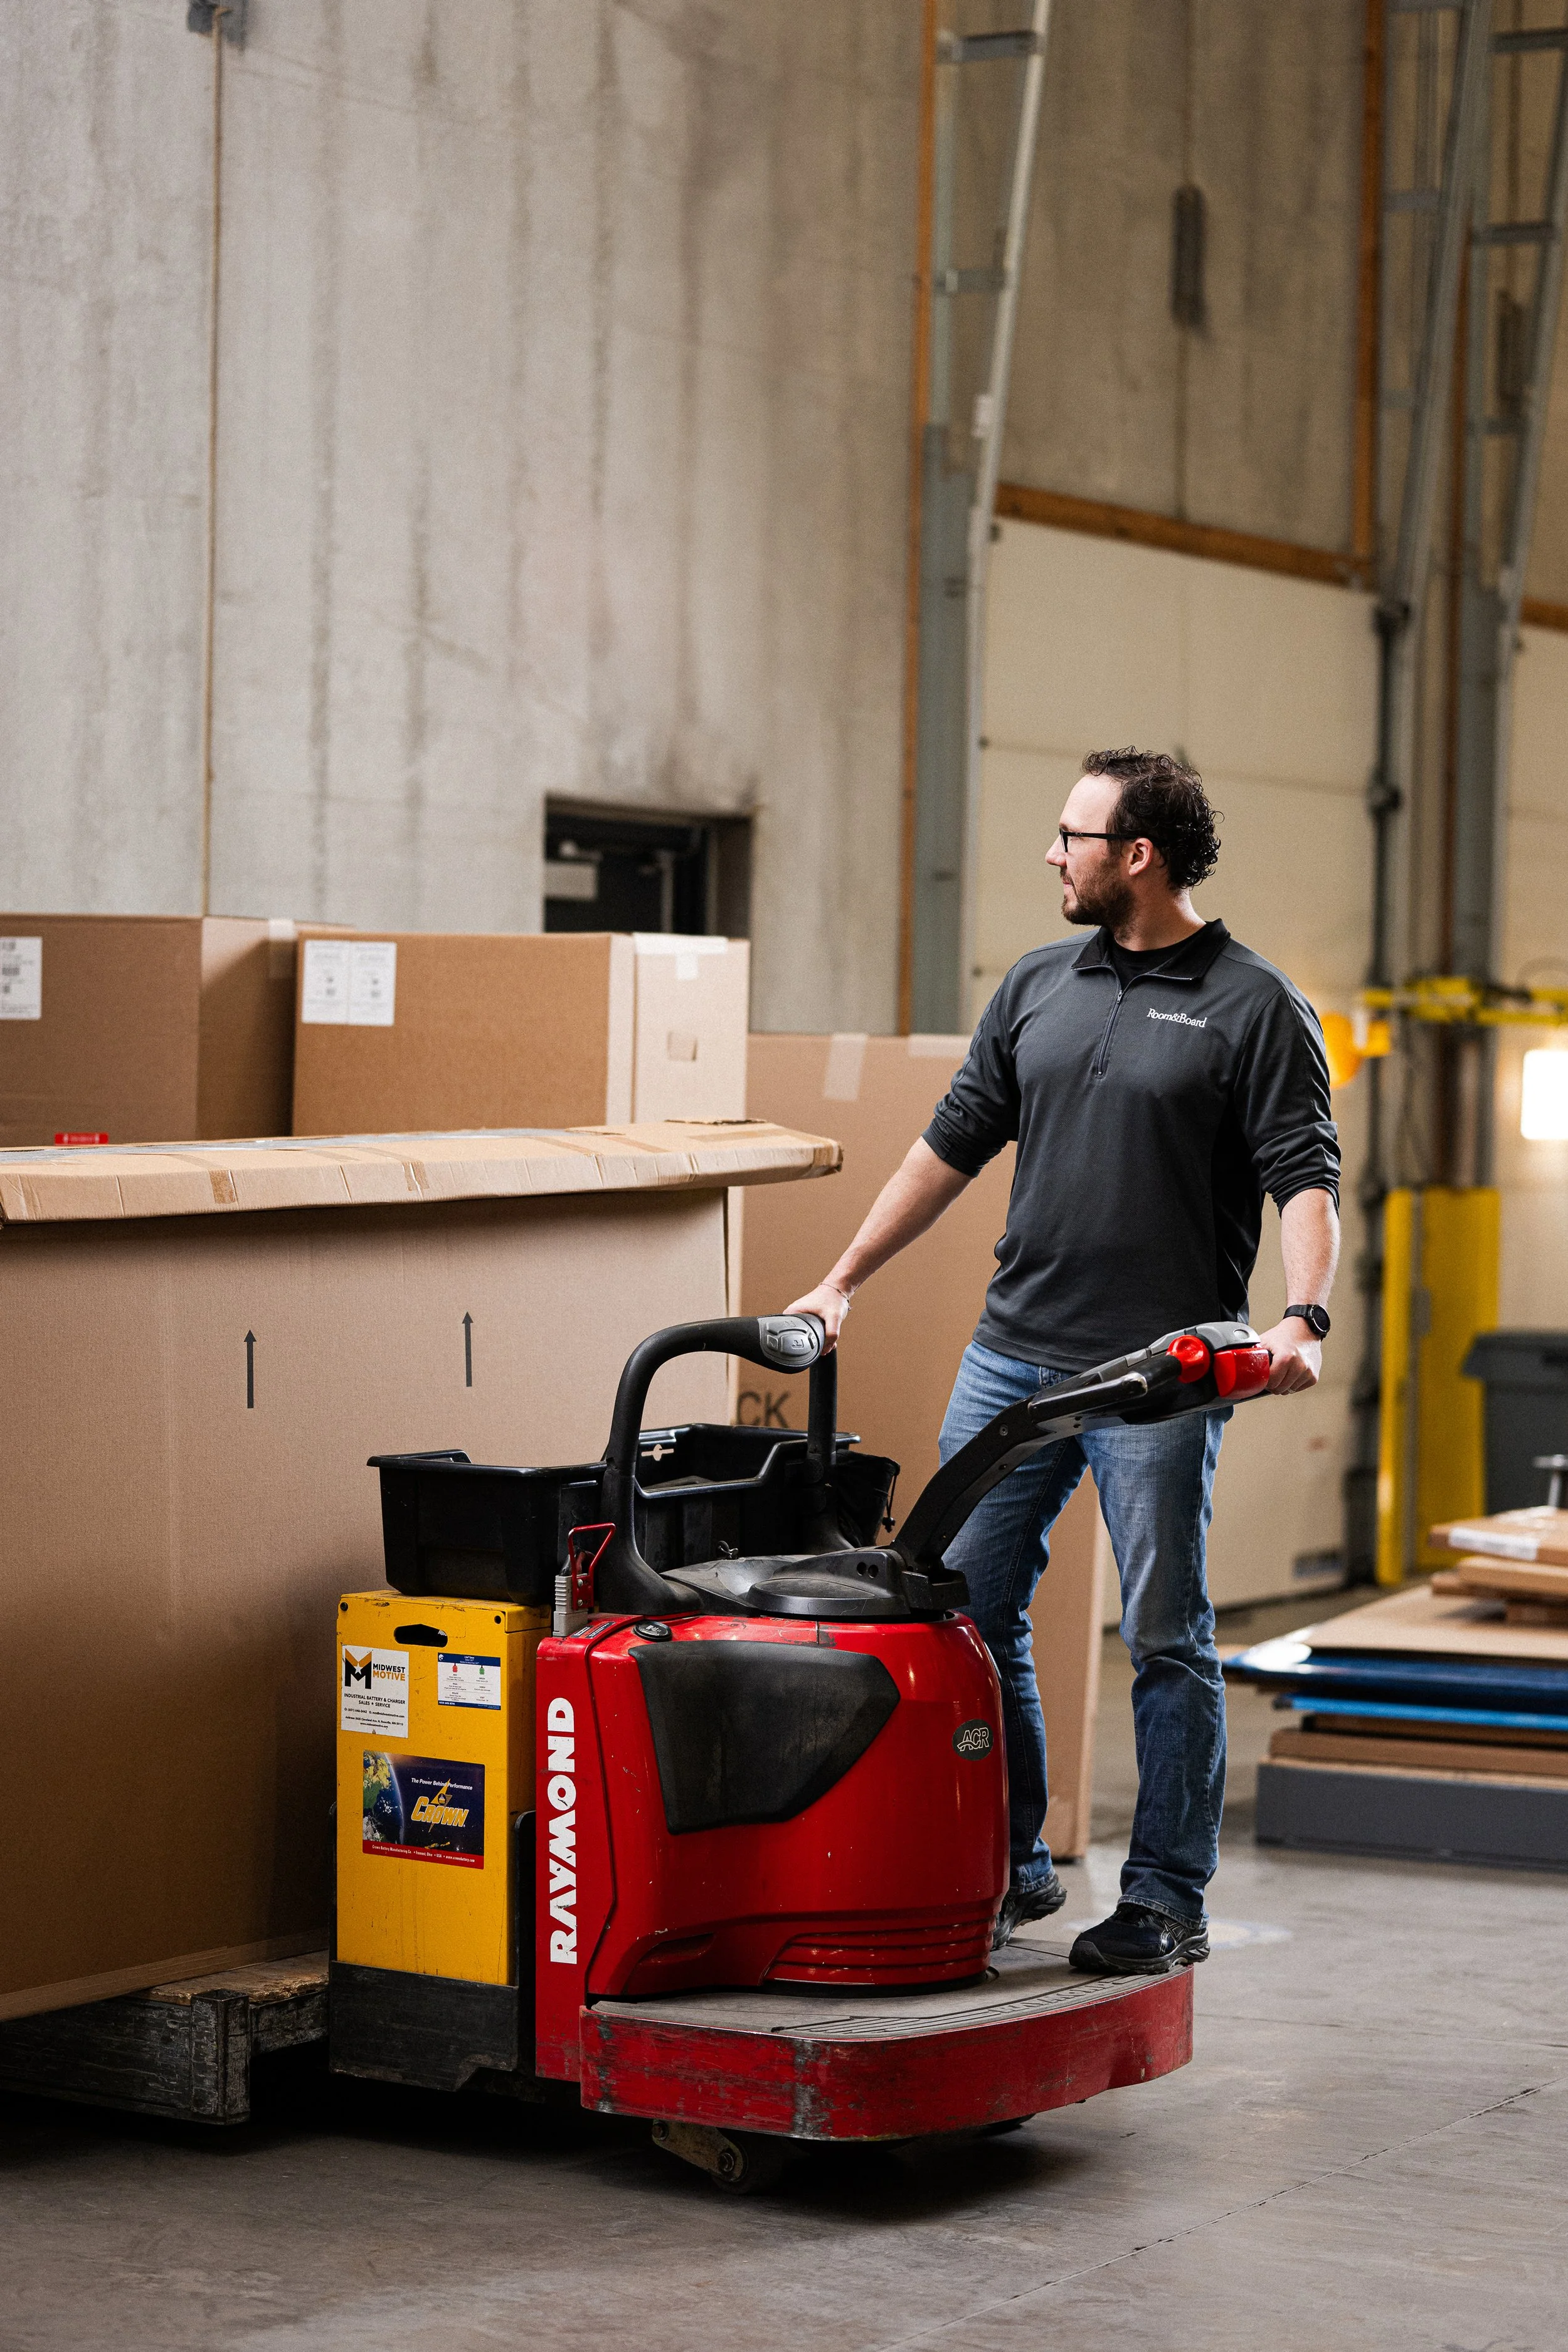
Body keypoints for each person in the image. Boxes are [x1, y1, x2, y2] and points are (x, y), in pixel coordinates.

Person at [789, 748, 1340, 1975]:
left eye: (1068, 836)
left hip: (1162, 1372)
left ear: (1133, 856)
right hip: (1013, 1359)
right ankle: (1014, 1861)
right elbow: (945, 1149)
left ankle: (1163, 1896)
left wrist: (1300, 1316)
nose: (1051, 853)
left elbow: (1304, 1179)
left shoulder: (1254, 1005)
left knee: (1161, 1635)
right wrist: (841, 1280)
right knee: (963, 1609)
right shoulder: (1038, 983)